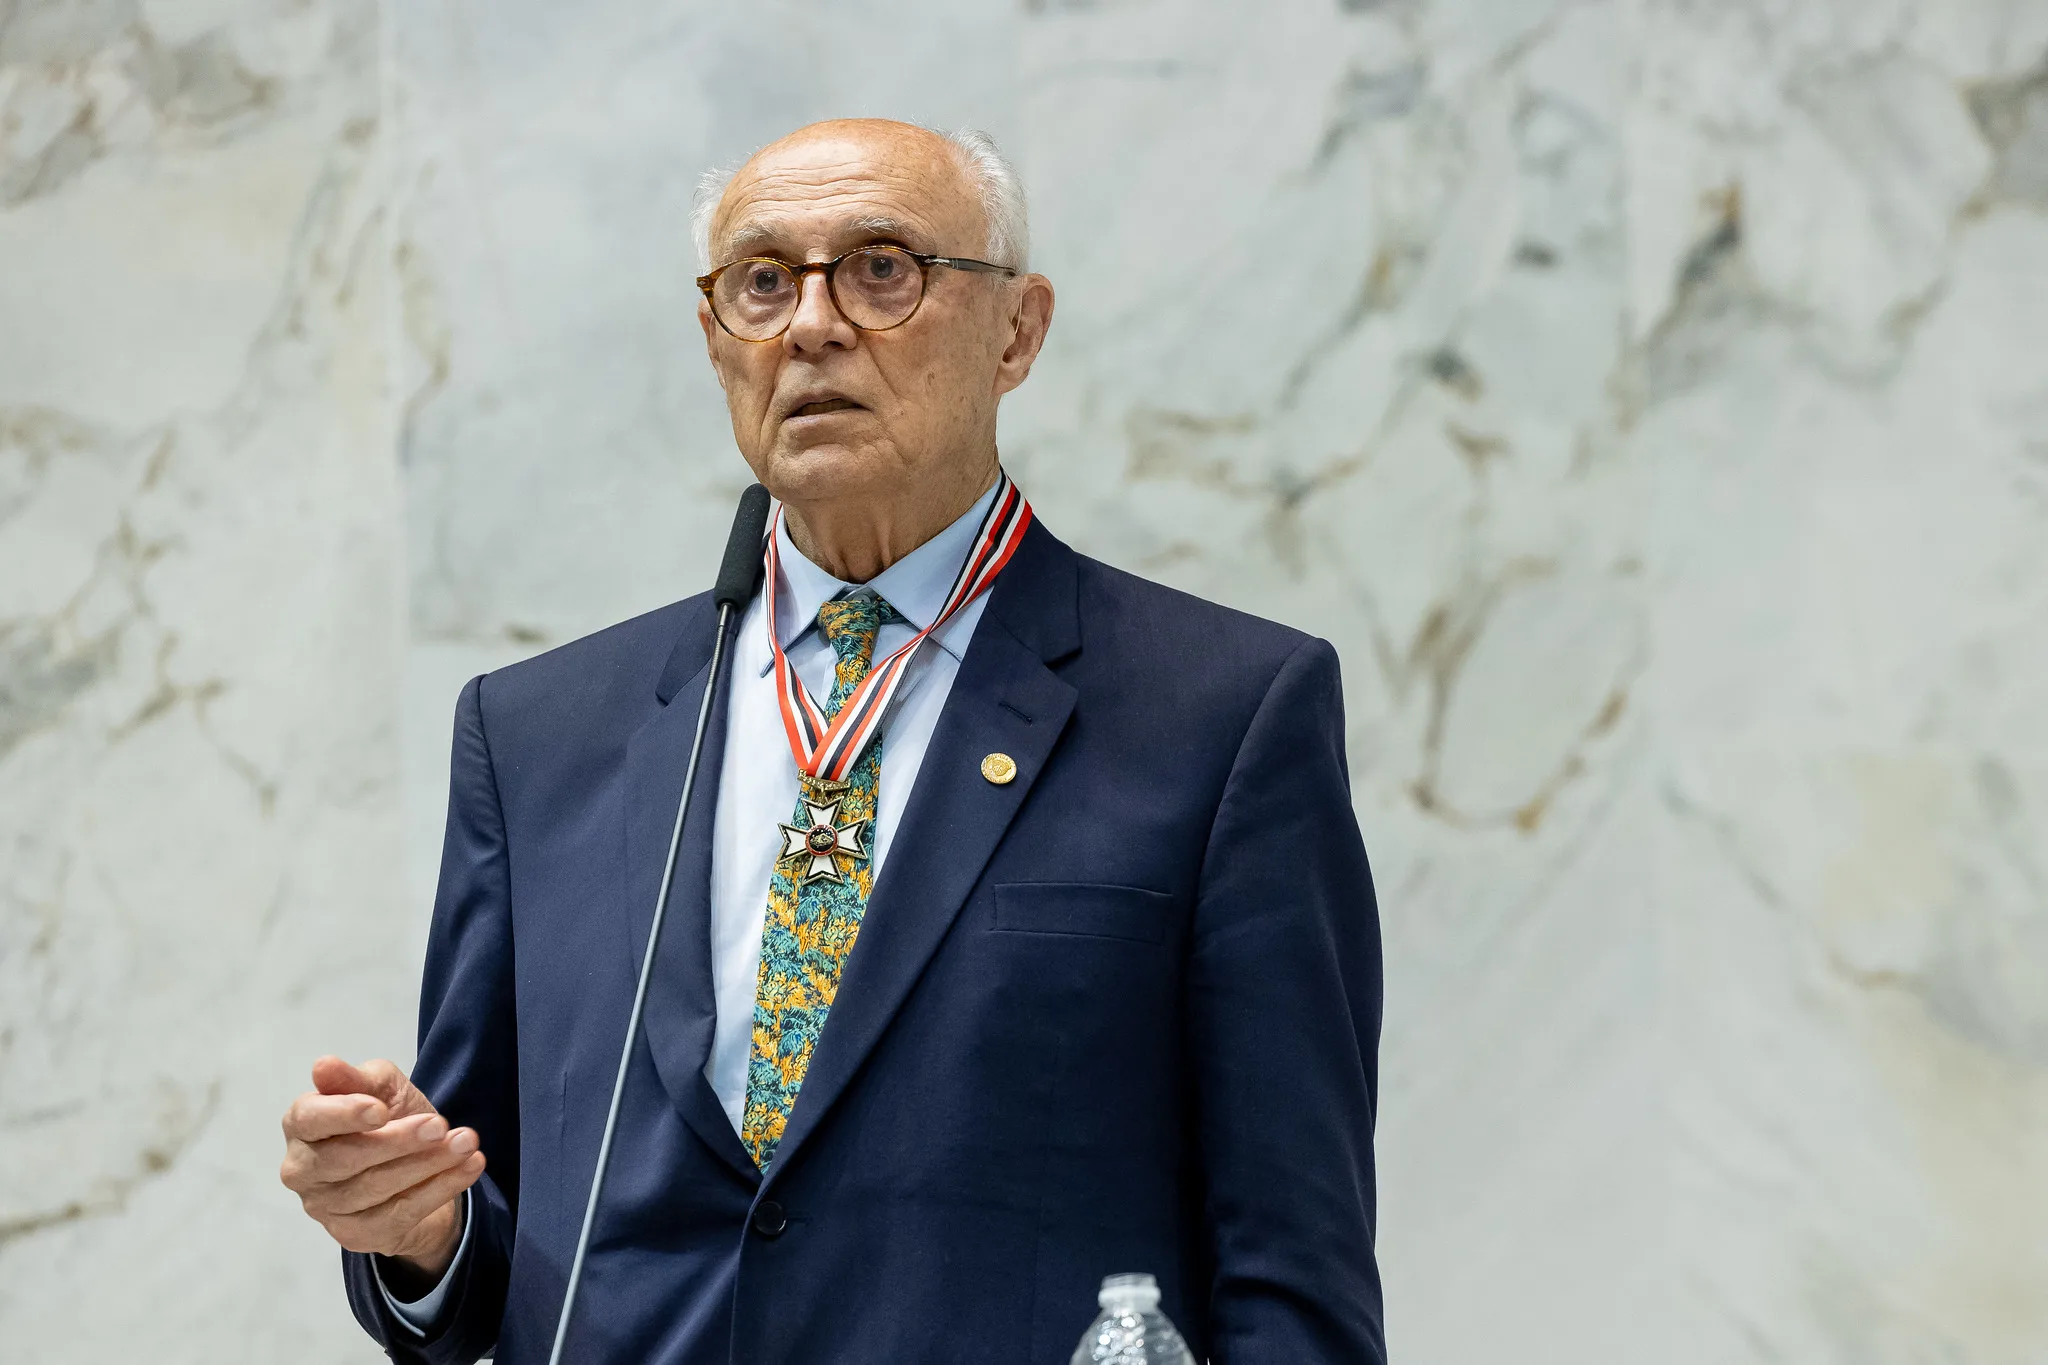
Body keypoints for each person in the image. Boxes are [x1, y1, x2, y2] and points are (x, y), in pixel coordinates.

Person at [278, 118, 1386, 1365]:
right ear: (716, 345)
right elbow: (499, 1245)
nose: (810, 324)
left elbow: (1294, 1275)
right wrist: (415, 1226)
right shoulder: (540, 735)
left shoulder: (1222, 714)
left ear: (1016, 332)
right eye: (762, 282)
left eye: (879, 268)